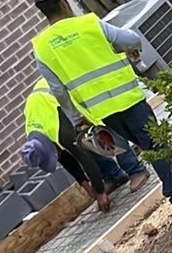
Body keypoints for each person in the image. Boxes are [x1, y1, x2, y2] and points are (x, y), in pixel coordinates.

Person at [28, 0, 172, 209]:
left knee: (149, 144)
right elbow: (130, 40)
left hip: (103, 113)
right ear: (63, 1)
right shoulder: (88, 23)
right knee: (154, 144)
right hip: (128, 98)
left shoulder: (42, 47)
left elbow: (59, 91)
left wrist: (77, 119)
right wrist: (124, 50)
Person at [20, 72, 144, 212]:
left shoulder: (60, 132)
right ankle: (114, 176)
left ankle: (136, 170)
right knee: (85, 142)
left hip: (80, 93)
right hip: (59, 106)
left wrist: (100, 192)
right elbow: (66, 160)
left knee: (105, 136)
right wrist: (84, 184)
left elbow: (84, 158)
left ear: (50, 147)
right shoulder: (37, 135)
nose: (57, 157)